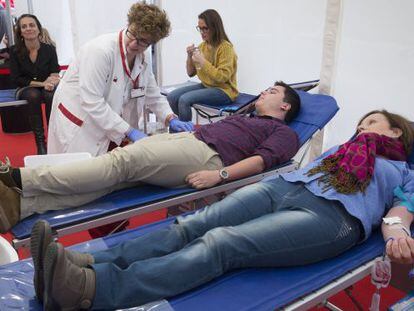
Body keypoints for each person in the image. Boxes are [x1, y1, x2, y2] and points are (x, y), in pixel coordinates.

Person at [25, 109, 414, 310]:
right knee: (191, 223)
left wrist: (396, 231)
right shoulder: (342, 151)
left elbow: (403, 206)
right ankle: (83, 263)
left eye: (372, 122)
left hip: (331, 218)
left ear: (396, 131)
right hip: (284, 187)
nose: (362, 128)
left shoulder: (401, 168)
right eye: (361, 123)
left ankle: (90, 290)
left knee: (222, 243)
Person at [0, 81, 300, 233]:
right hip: (192, 141)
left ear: (284, 107)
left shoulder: (285, 133)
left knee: (120, 163)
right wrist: (180, 126)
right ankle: (22, 206)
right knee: (114, 183)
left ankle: (19, 178)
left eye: (272, 91)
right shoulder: (248, 117)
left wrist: (218, 176)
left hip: (208, 156)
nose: (263, 92)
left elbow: (261, 162)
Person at [47, 2, 192, 157]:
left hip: (109, 123)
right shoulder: (100, 51)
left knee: (103, 171)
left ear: (151, 43)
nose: (133, 43)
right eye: (133, 34)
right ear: (130, 24)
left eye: (143, 41)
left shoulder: (144, 58)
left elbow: (153, 95)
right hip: (79, 122)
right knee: (73, 172)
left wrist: (170, 118)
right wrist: (129, 131)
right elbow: (92, 100)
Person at [167, 9, 238, 122]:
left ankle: (186, 135)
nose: (202, 32)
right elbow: (191, 73)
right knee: (172, 97)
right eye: (200, 28)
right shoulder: (202, 47)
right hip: (207, 86)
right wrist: (189, 56)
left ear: (215, 27)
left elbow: (222, 77)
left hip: (224, 91)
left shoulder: (225, 47)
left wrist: (203, 61)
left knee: (184, 100)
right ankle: (181, 128)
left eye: (205, 28)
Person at [9, 14, 60, 155]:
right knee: (33, 95)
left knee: (50, 94)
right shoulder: (14, 51)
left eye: (31, 25)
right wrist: (42, 83)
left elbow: (55, 72)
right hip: (25, 88)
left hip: (46, 87)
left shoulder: (49, 49)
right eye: (24, 26)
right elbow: (16, 78)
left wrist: (51, 82)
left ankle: (53, 138)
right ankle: (40, 144)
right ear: (20, 32)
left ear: (38, 29)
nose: (28, 28)